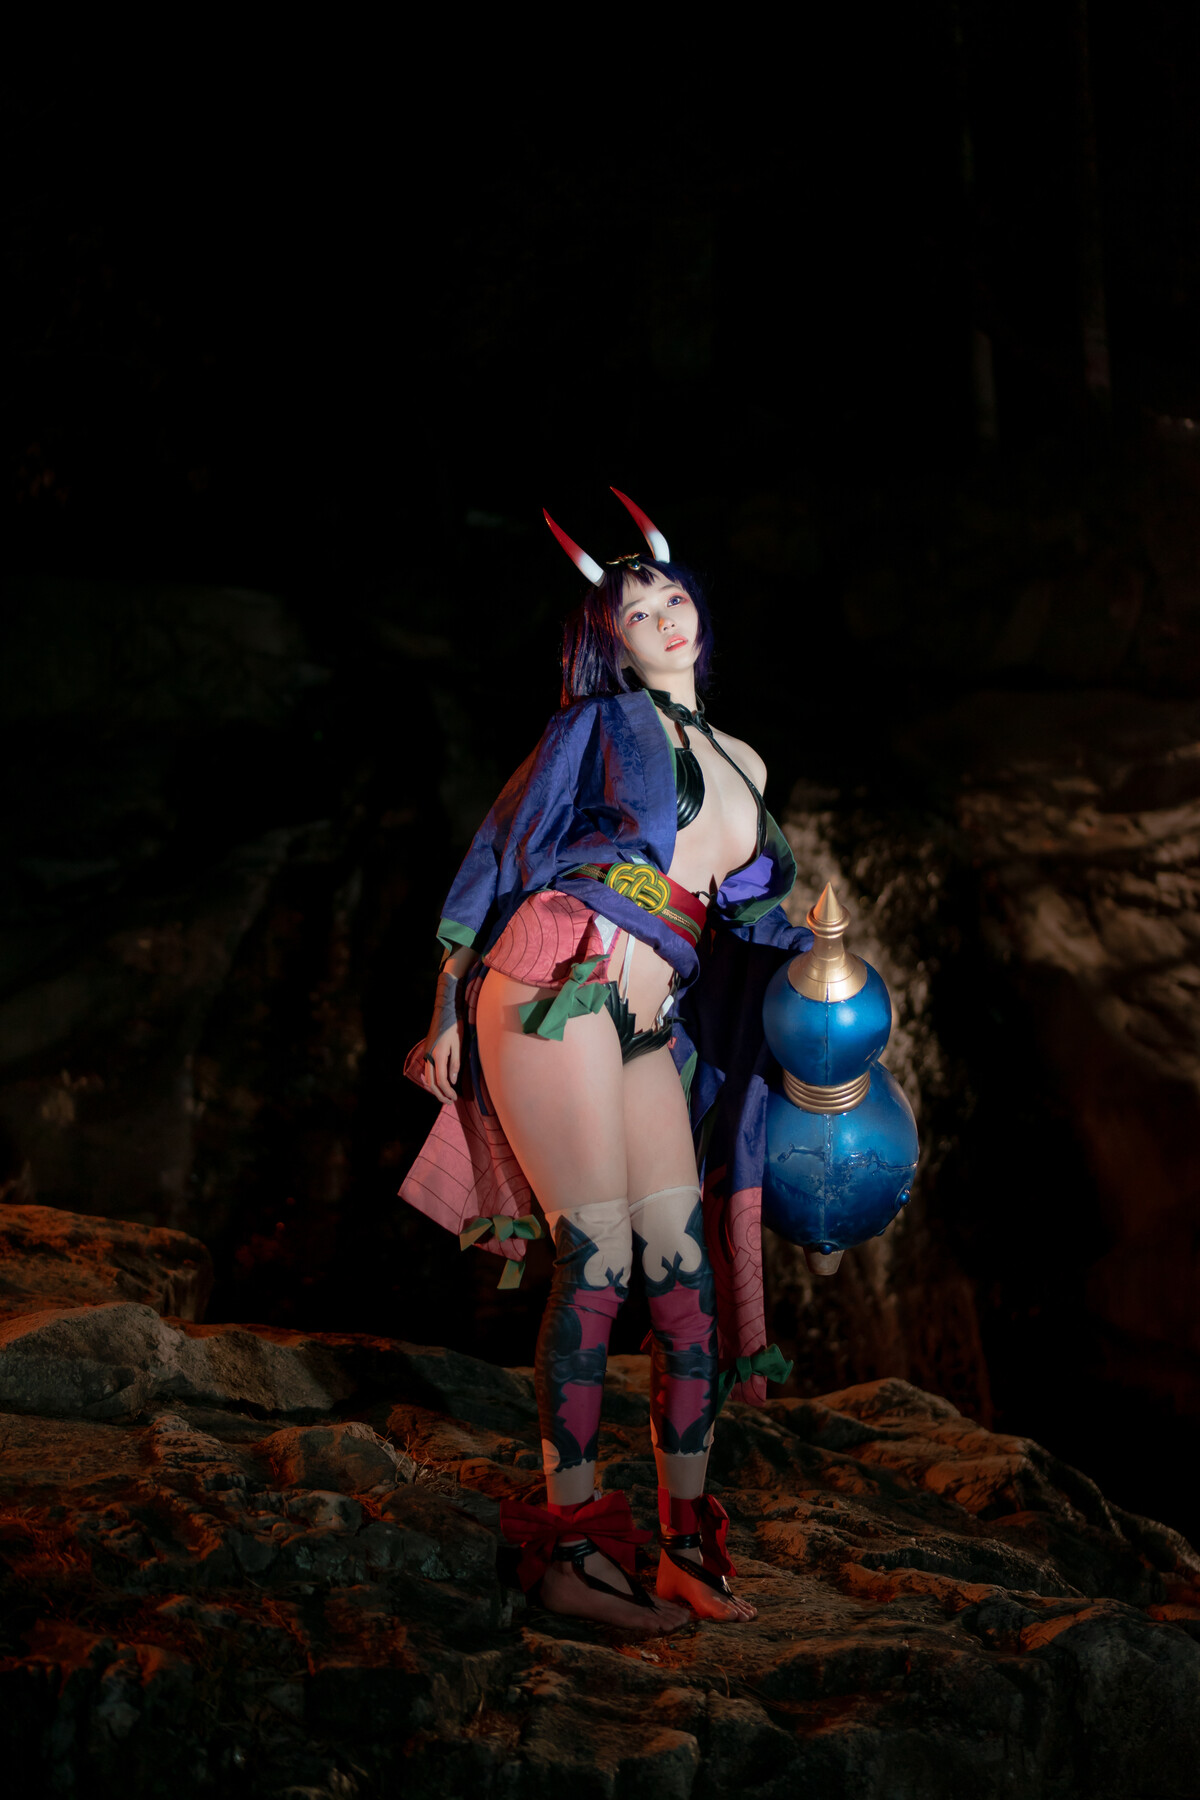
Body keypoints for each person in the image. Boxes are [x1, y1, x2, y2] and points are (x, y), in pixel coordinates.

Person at [400, 490, 810, 1632]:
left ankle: (683, 1546)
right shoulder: (597, 727)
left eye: (672, 595)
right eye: (636, 611)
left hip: (651, 1019)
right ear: (611, 644)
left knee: (681, 1276)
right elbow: (503, 846)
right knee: (598, 1258)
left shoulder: (744, 761)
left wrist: (821, 981)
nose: (664, 615)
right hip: (554, 980)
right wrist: (445, 1000)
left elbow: (749, 918)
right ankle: (568, 1555)